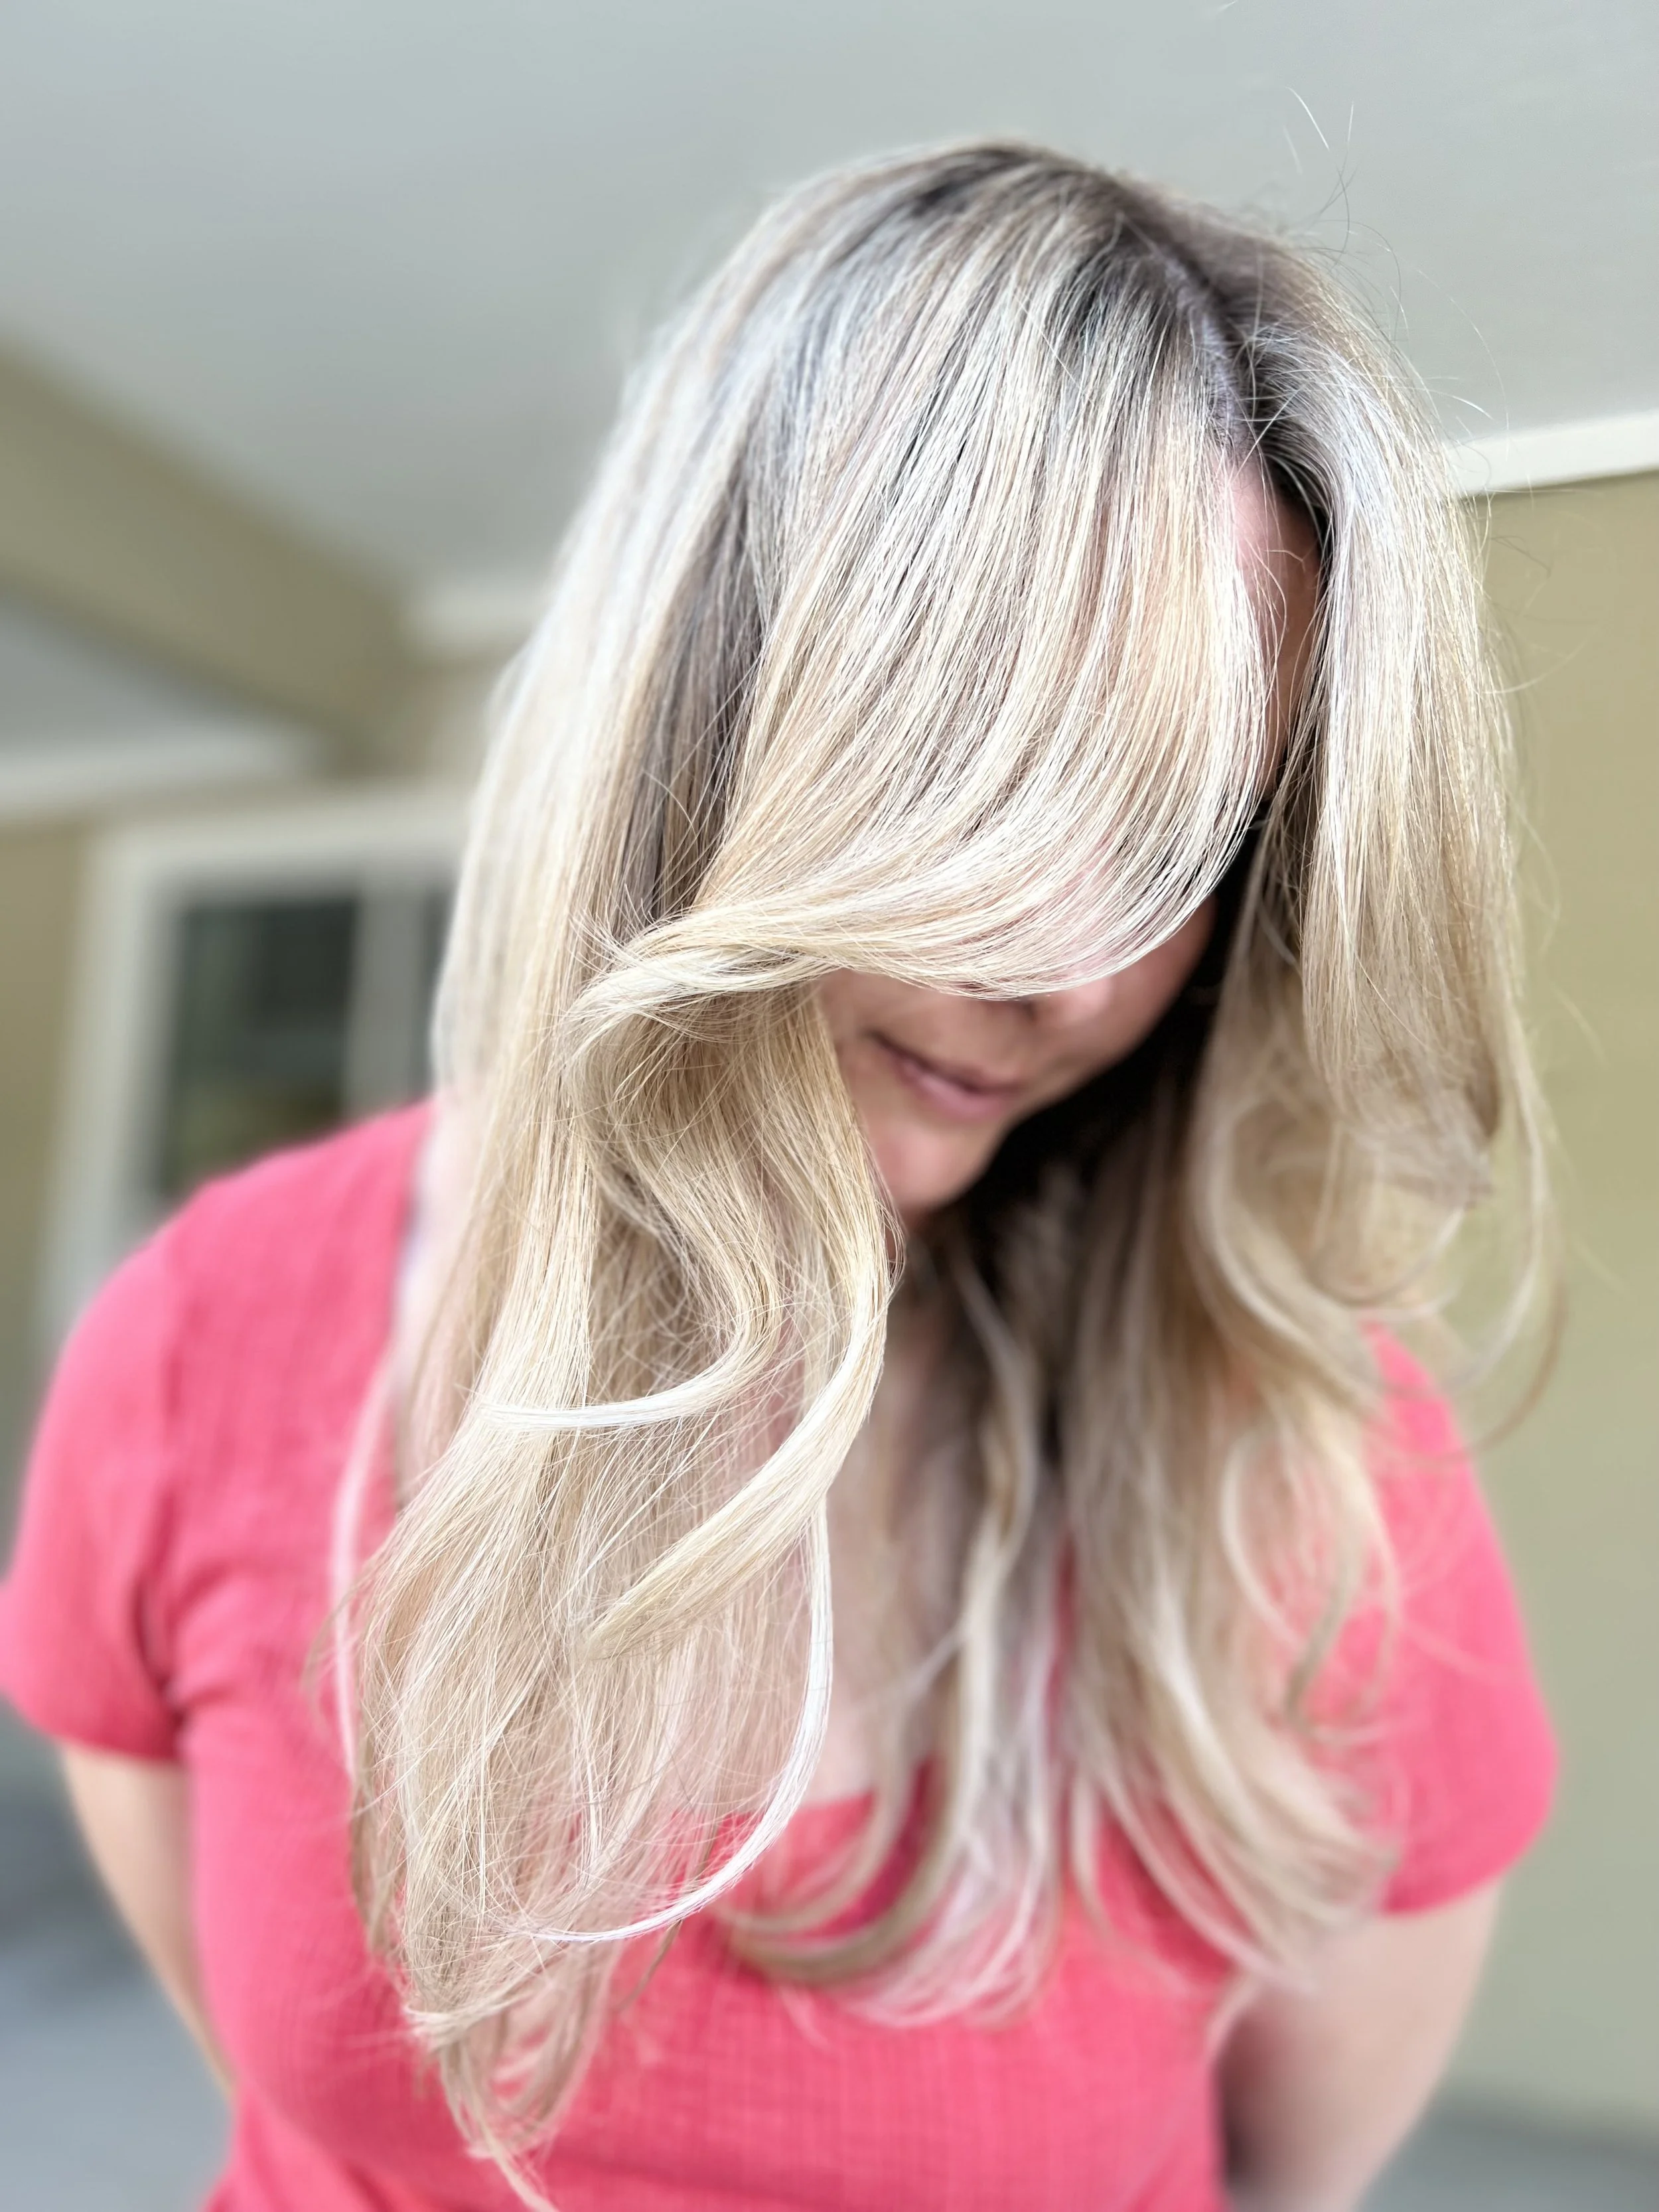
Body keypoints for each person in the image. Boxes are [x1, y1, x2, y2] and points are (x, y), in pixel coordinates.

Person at [1, 143, 1556, 2212]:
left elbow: (1285, 2177)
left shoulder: (1304, 1460)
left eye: (1181, 840)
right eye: (995, 777)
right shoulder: (213, 1333)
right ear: (700, 700)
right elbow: (303, 2126)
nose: (1069, 971)